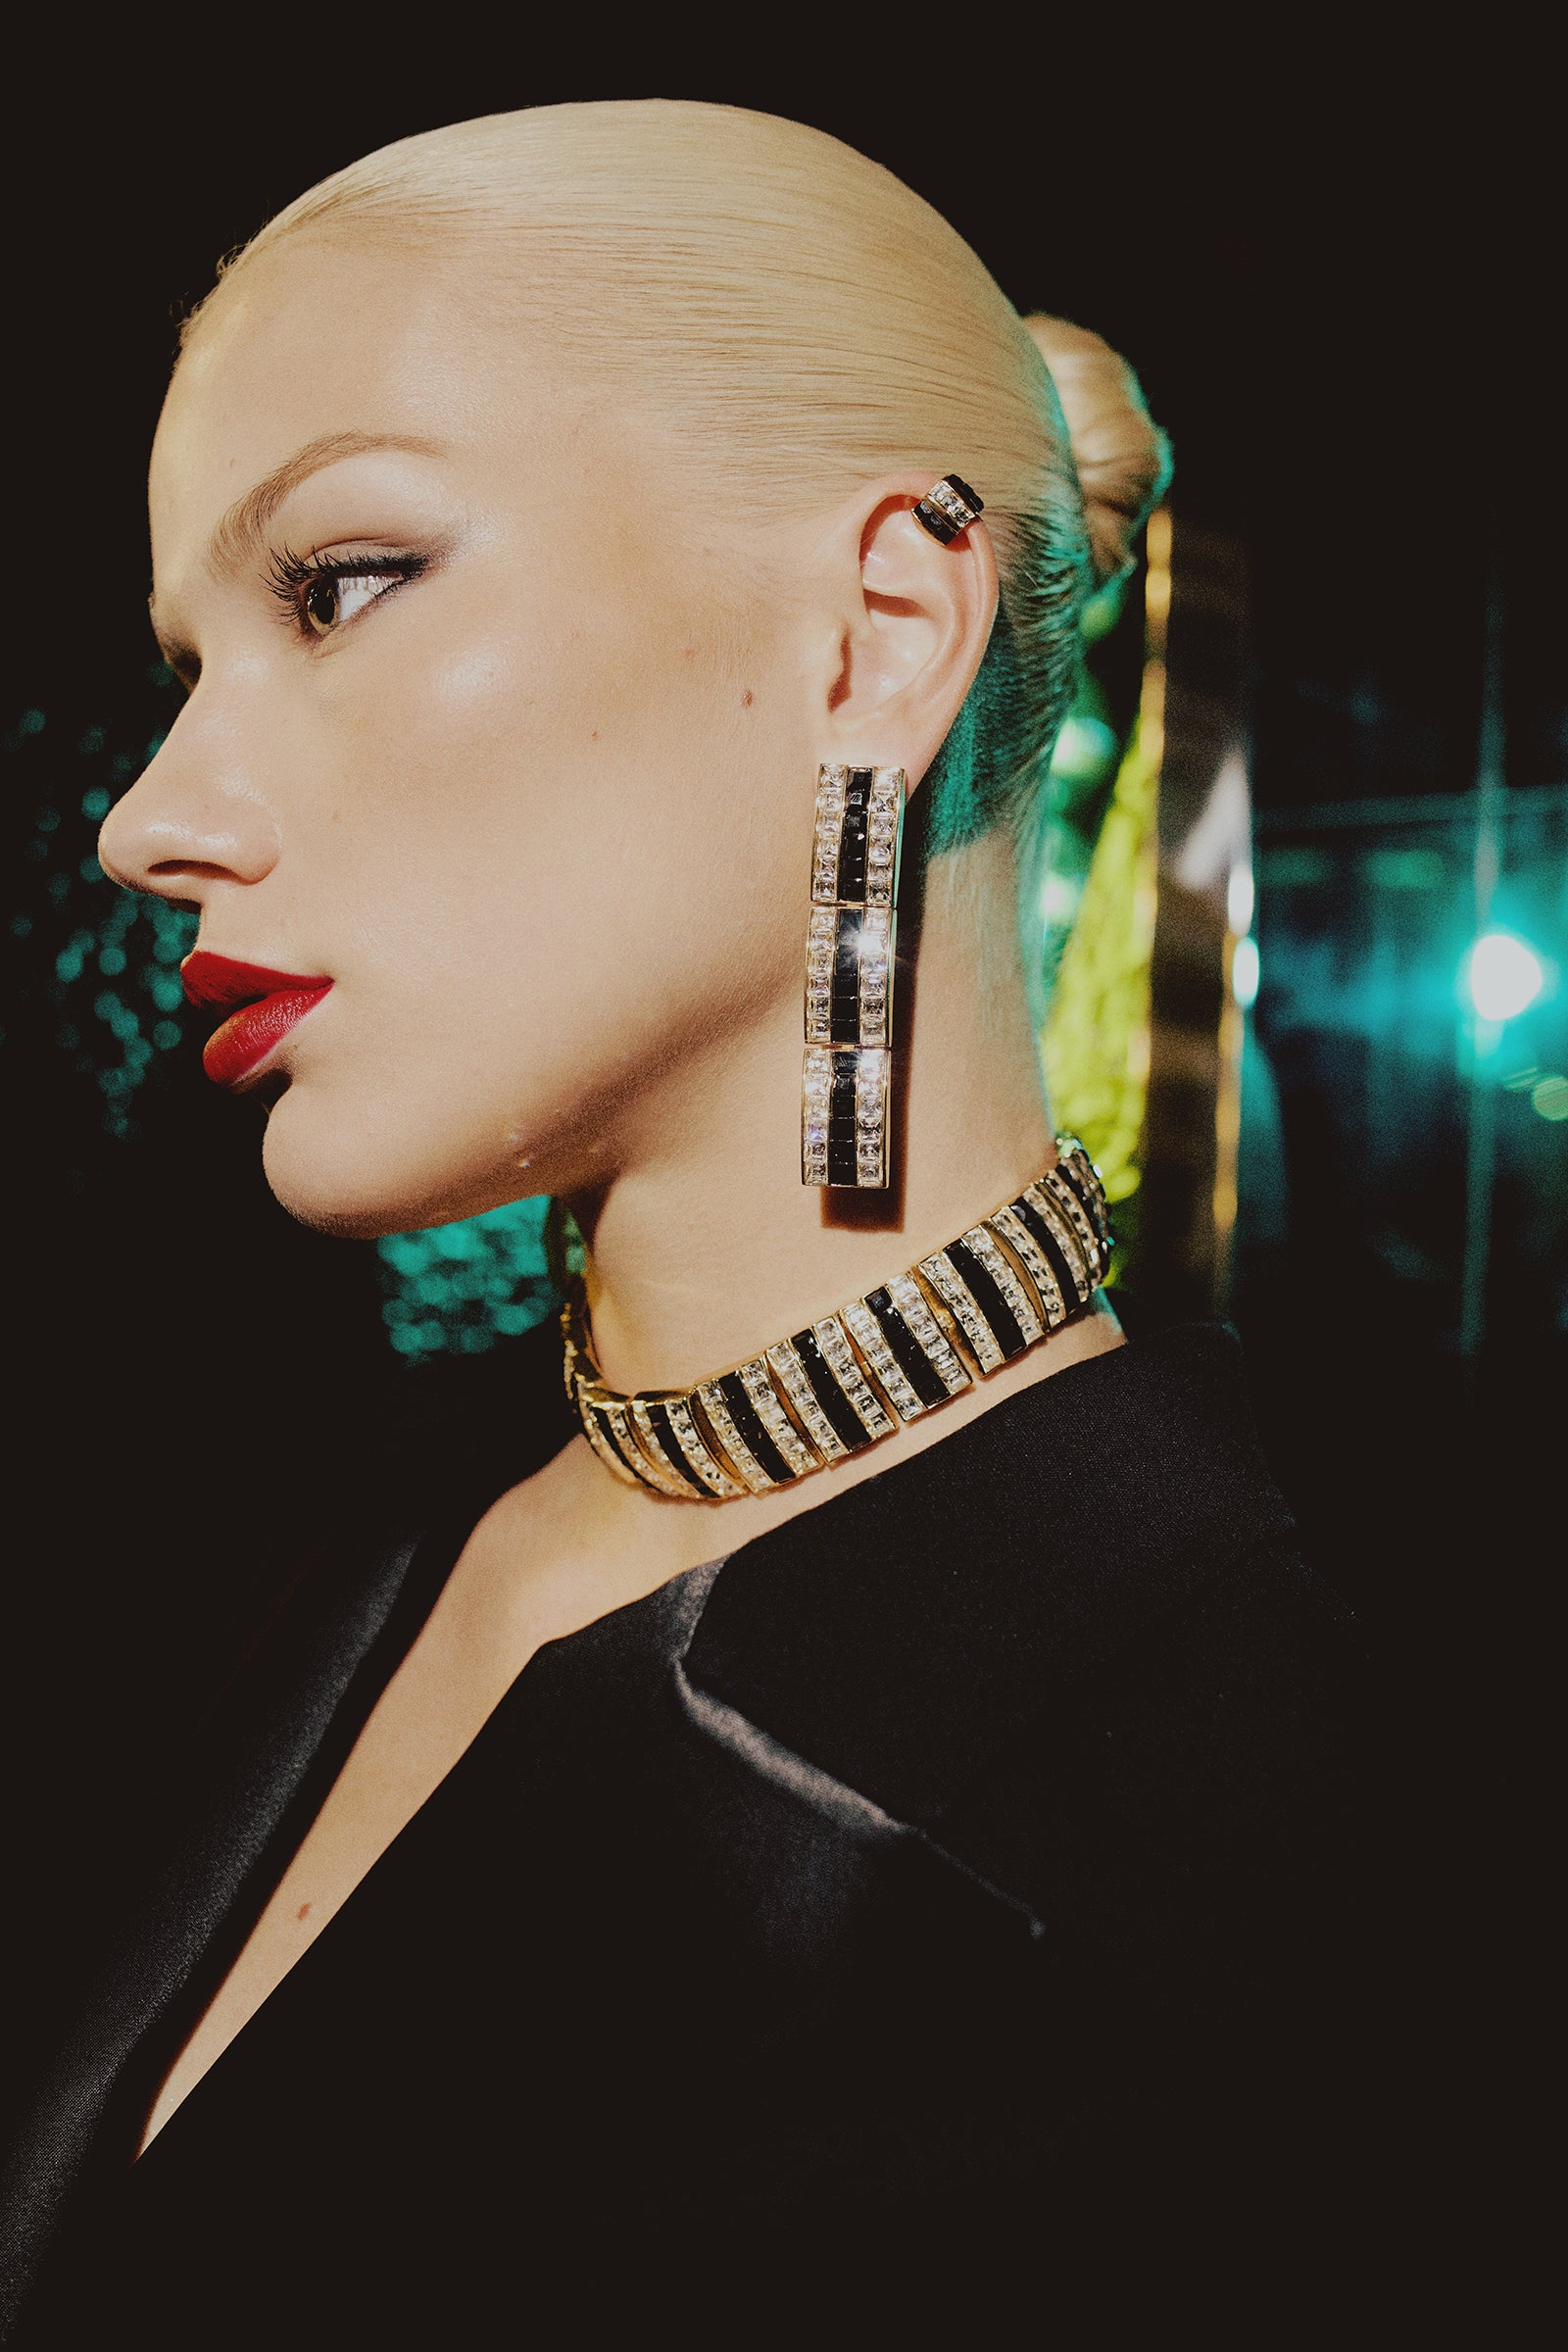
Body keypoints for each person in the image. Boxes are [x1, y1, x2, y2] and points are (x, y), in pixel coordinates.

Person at [1, 100, 1361, 2336]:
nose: (150, 820)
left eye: (342, 583)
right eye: (185, 668)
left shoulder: (1180, 1818)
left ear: (879, 634)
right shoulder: (370, 1515)